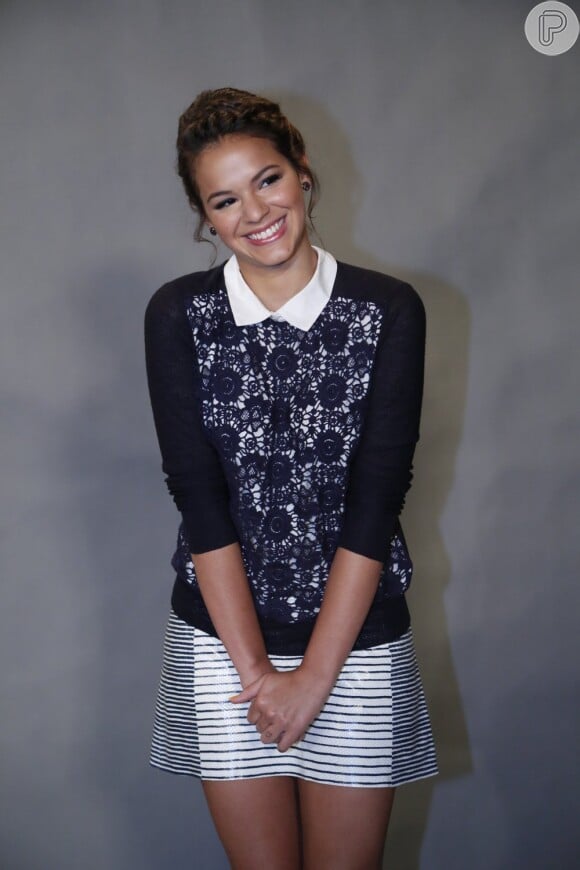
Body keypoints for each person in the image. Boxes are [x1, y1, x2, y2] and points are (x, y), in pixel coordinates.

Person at [144, 86, 438, 870]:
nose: (255, 212)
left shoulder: (387, 311)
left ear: (302, 172)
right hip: (224, 646)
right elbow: (199, 503)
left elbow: (376, 503)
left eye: (267, 179)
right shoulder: (179, 316)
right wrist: (259, 677)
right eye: (225, 199)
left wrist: (313, 676)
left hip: (357, 643)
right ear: (206, 218)